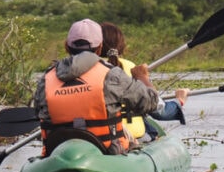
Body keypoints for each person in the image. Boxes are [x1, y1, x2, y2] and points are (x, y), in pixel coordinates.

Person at [32, 18, 161, 156]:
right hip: (106, 151)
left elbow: (37, 113)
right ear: (99, 48)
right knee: (135, 140)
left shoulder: (46, 79)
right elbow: (151, 102)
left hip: (57, 152)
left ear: (66, 46)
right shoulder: (112, 75)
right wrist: (142, 77)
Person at [100, 22, 189, 133]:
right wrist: (179, 100)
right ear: (121, 46)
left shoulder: (86, 70)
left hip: (97, 136)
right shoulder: (131, 69)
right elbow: (161, 112)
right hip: (130, 136)